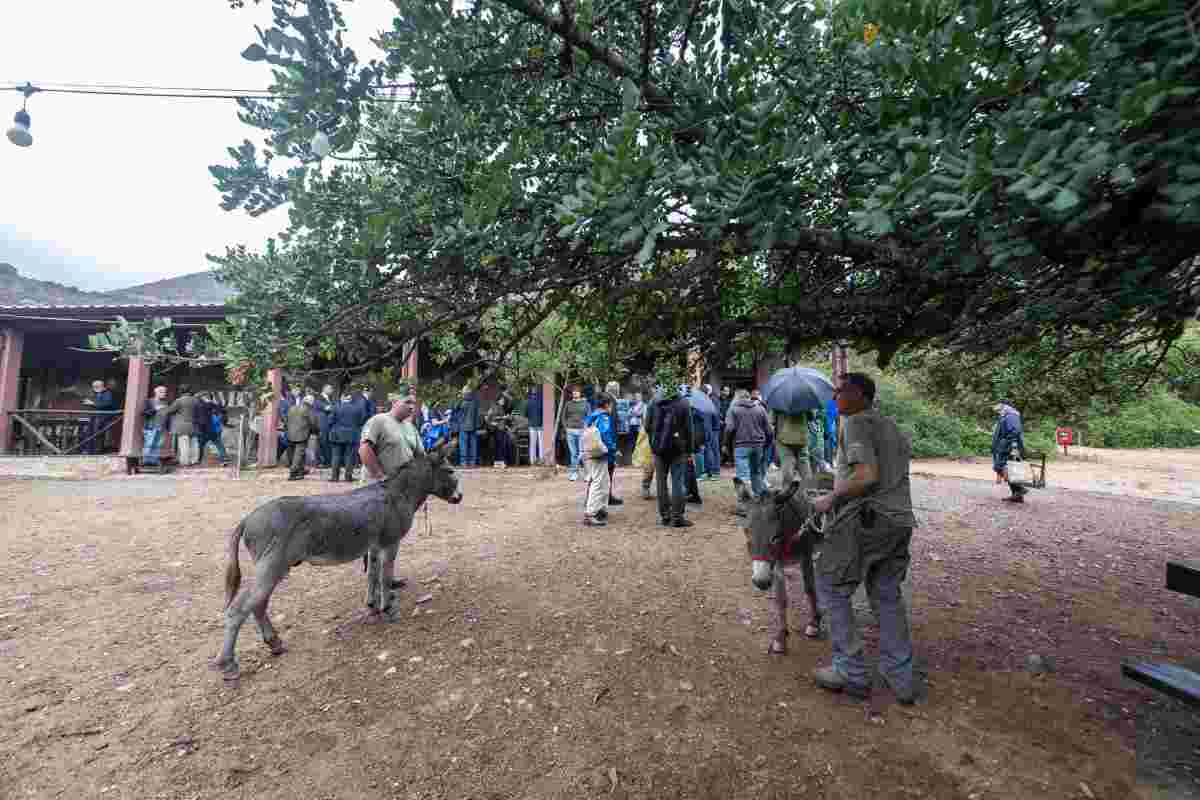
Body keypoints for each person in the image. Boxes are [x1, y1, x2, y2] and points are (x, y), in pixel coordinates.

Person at [810, 373, 917, 705]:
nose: (835, 398)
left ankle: (850, 671)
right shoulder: (892, 426)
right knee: (886, 594)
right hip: (900, 520)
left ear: (859, 394)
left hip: (868, 520)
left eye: (840, 392)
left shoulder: (855, 422)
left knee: (829, 582)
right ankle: (901, 677)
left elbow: (866, 476)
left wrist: (830, 498)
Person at [650, 378, 695, 528]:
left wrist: (654, 442)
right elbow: (689, 429)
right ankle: (677, 517)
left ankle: (665, 516)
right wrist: (689, 450)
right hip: (678, 448)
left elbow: (646, 425)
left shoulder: (654, 401)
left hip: (658, 448)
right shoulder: (683, 402)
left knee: (661, 482)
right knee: (678, 482)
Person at [359, 390, 424, 481]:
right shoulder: (378, 421)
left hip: (401, 484)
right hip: (376, 485)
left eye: (413, 403)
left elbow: (420, 456)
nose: (411, 407)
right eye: (407, 402)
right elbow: (364, 449)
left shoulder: (411, 427)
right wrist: (379, 475)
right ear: (394, 402)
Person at [725, 388, 771, 515]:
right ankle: (762, 502)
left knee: (742, 477)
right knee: (756, 473)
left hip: (741, 445)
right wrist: (766, 444)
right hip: (758, 445)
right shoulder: (760, 409)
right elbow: (769, 430)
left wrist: (725, 445)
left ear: (737, 398)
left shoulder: (733, 410)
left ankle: (743, 507)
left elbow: (729, 429)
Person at [581, 395, 617, 526]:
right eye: (611, 405)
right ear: (607, 405)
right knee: (598, 482)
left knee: (604, 481)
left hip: (591, 453)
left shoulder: (592, 416)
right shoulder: (603, 417)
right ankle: (590, 514)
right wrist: (612, 449)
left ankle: (600, 509)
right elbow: (606, 434)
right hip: (600, 454)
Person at [992, 399, 1028, 503]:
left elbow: (1014, 431)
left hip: (1011, 447)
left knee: (999, 466)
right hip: (1008, 446)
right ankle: (1017, 496)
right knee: (1013, 469)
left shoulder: (1011, 415)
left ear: (1003, 405)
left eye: (997, 404)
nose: (995, 406)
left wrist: (1006, 444)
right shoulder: (1006, 415)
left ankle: (1020, 489)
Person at [329, 389, 369, 482]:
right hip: (352, 434)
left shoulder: (336, 407)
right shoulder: (357, 408)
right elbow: (361, 421)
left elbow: (330, 421)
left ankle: (334, 477)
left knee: (336, 456)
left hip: (337, 434)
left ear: (343, 397)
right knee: (349, 457)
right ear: (350, 398)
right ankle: (348, 476)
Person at [772, 409, 814, 487]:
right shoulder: (805, 400)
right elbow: (811, 417)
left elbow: (773, 421)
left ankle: (787, 489)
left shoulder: (779, 402)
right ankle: (808, 488)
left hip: (784, 438)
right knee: (803, 462)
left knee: (787, 462)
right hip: (802, 437)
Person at [285, 395, 320, 480]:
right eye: (313, 401)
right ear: (310, 402)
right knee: (298, 454)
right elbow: (313, 423)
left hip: (290, 434)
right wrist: (316, 431)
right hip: (302, 435)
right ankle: (293, 472)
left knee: (294, 454)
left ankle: (300, 471)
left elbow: (286, 420)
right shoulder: (309, 410)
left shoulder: (292, 408)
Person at [166, 385, 200, 466]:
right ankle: (194, 460)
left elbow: (170, 410)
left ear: (181, 391)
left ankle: (185, 461)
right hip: (194, 424)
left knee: (184, 444)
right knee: (194, 443)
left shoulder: (179, 401)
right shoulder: (196, 400)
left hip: (182, 426)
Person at [562, 387, 590, 481]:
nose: (575, 393)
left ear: (580, 393)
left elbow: (589, 416)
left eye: (577, 392)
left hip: (582, 430)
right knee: (573, 453)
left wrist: (586, 427)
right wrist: (566, 427)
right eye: (574, 392)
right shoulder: (568, 404)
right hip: (570, 430)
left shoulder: (585, 404)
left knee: (583, 452)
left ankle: (587, 473)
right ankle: (574, 473)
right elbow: (563, 416)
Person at [81, 379, 117, 454]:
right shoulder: (95, 394)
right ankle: (89, 450)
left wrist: (92, 403)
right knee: (88, 433)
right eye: (93, 387)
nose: (94, 388)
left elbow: (107, 404)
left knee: (97, 434)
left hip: (104, 417)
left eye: (95, 387)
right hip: (94, 417)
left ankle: (96, 451)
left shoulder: (107, 393)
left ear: (100, 386)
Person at [141, 385, 171, 467]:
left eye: (165, 392)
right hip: (151, 426)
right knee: (149, 444)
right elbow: (144, 413)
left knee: (158, 445)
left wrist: (168, 427)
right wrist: (155, 409)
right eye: (162, 392)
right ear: (156, 393)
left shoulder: (166, 402)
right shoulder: (149, 401)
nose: (164, 394)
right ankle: (146, 461)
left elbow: (168, 415)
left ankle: (154, 461)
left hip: (162, 426)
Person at [486, 386, 515, 468]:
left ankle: (501, 462)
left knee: (503, 445)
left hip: (502, 428)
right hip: (497, 429)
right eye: (502, 400)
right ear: (498, 400)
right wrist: (496, 421)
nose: (503, 401)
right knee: (499, 446)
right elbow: (489, 418)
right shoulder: (494, 407)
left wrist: (507, 419)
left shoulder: (501, 407)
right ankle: (499, 462)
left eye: (503, 400)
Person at [455, 386, 481, 468]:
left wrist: (459, 397)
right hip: (473, 426)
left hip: (463, 426)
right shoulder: (475, 402)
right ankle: (473, 463)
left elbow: (455, 408)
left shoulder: (461, 401)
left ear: (464, 392)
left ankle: (464, 463)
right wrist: (477, 426)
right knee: (473, 445)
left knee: (463, 445)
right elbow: (477, 415)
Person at [316, 384, 336, 468]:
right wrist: (335, 407)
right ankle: (322, 462)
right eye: (330, 389)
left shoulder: (329, 398)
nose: (332, 390)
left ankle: (327, 462)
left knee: (327, 443)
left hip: (328, 424)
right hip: (322, 424)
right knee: (322, 443)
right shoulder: (318, 398)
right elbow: (327, 408)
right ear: (324, 389)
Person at [527, 385, 546, 465]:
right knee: (541, 443)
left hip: (532, 424)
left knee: (533, 443)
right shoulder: (542, 400)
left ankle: (532, 460)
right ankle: (541, 459)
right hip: (540, 424)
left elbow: (526, 413)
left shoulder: (529, 401)